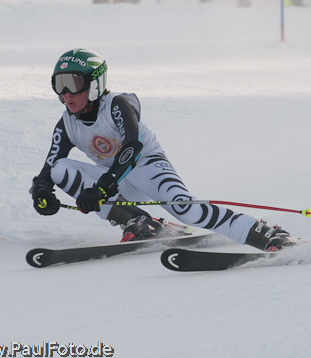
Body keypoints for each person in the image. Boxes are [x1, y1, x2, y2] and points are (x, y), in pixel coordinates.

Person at [30, 48, 295, 251]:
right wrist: (42, 194)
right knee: (60, 169)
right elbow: (48, 170)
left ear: (95, 83)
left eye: (73, 84)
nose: (65, 94)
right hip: (115, 180)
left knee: (186, 210)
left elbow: (132, 146)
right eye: (59, 84)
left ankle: (264, 233)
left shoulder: (117, 105)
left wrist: (103, 187)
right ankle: (141, 223)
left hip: (148, 166)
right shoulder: (67, 124)